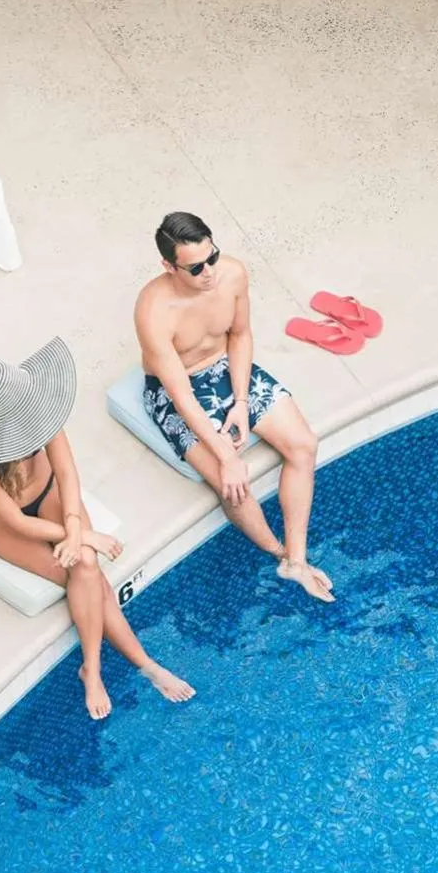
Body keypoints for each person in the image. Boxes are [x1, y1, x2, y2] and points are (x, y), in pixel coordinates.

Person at [0, 336, 195, 721]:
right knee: (85, 565)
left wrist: (71, 525)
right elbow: (15, 520)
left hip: (52, 494)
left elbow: (66, 472)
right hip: (0, 524)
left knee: (85, 563)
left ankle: (98, 669)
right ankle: (129, 667)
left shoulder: (39, 409)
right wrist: (84, 535)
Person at [135, 212, 334, 602]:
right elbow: (181, 395)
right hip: (176, 388)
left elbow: (240, 335)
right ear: (169, 267)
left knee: (304, 445)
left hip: (228, 367)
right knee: (232, 486)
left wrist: (241, 402)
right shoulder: (153, 310)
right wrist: (226, 456)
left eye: (212, 257)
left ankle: (296, 560)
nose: (209, 272)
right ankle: (277, 552)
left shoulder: (233, 274)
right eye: (196, 268)